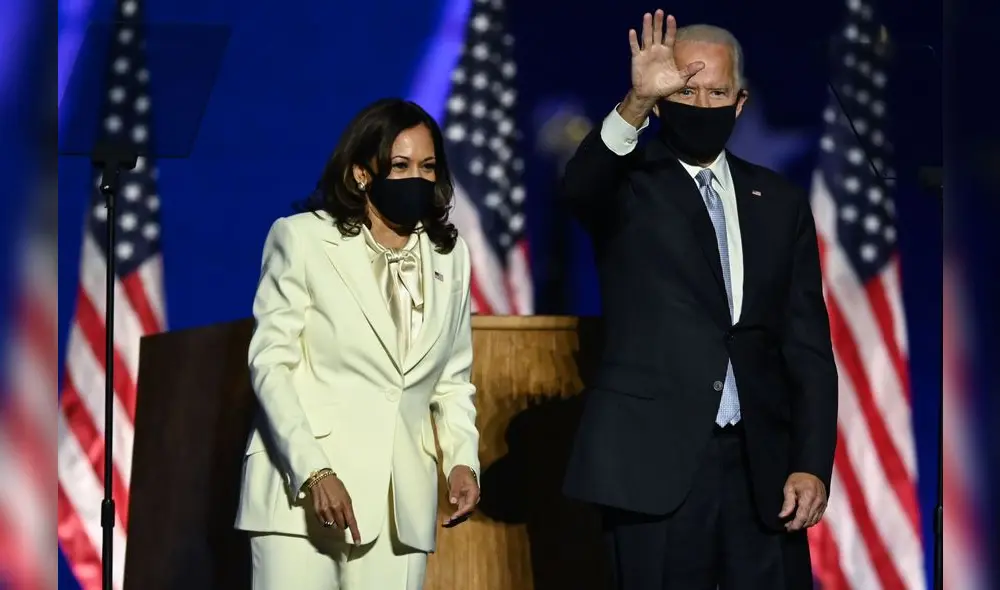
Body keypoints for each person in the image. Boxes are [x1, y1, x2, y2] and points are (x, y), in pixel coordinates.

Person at [561, 11, 838, 590]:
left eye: (717, 92)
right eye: (686, 90)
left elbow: (807, 343)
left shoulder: (778, 200)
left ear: (741, 104)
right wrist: (635, 103)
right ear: (663, 99)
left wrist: (811, 463)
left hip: (760, 471)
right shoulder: (629, 182)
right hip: (653, 465)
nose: (703, 105)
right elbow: (579, 187)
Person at [235, 98, 481, 590]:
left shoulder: (449, 256)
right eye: (401, 165)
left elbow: (452, 380)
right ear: (361, 174)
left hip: (399, 504)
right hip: (299, 496)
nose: (417, 177)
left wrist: (461, 460)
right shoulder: (301, 239)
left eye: (428, 167)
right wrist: (313, 471)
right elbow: (270, 364)